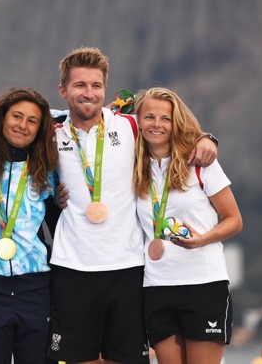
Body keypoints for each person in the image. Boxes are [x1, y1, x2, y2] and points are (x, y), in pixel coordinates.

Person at [48, 47, 218, 364]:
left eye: (96, 85)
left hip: (126, 270)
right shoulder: (49, 132)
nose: (89, 93)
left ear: (105, 88)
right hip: (71, 269)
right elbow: (10, 124)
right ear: (63, 90)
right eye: (80, 85)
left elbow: (170, 126)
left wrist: (207, 138)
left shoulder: (128, 125)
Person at [133, 87, 242, 364]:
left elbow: (234, 220)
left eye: (165, 118)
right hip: (156, 286)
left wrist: (202, 239)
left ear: (176, 122)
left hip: (202, 284)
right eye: (149, 117)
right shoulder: (133, 167)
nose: (157, 124)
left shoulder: (200, 163)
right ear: (138, 121)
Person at [0, 88, 59, 363]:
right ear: (2, 118)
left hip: (35, 288)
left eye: (32, 120)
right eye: (17, 116)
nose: (23, 125)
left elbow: (56, 226)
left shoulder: (47, 171)